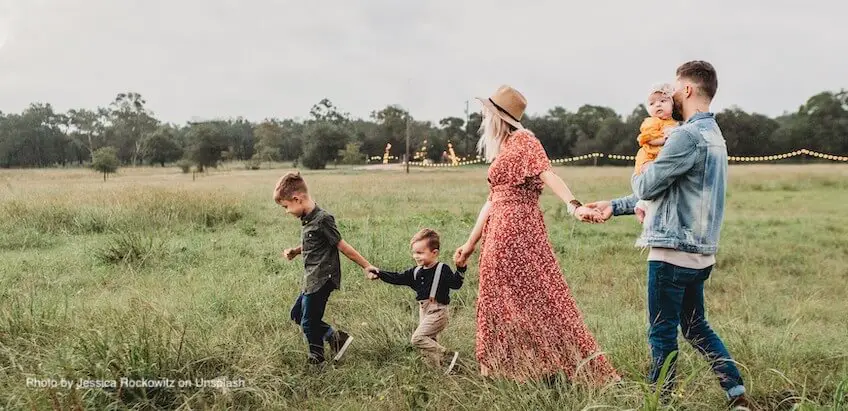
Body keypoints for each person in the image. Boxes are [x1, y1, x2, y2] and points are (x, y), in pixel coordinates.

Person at [584, 61, 751, 408]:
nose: (671, 94)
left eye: (675, 87)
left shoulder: (686, 136)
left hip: (671, 253)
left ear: (687, 90)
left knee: (662, 333)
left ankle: (660, 402)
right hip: (701, 253)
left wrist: (641, 161)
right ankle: (736, 394)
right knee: (695, 327)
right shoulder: (714, 135)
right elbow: (671, 192)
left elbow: (647, 184)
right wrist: (615, 206)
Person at [453, 85, 619, 383]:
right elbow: (492, 200)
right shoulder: (504, 148)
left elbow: (548, 173)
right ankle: (510, 368)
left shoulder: (524, 140)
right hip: (498, 230)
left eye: (487, 114)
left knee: (539, 296)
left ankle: (551, 364)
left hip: (517, 230)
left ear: (498, 117)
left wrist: (574, 206)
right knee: (499, 299)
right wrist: (469, 244)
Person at [275, 171, 379, 365]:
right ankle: (336, 338)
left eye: (286, 207)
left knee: (308, 322)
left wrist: (366, 266)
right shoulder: (307, 219)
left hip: (322, 278)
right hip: (311, 278)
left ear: (297, 199)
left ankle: (317, 359)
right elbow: (315, 243)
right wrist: (296, 251)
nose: (286, 211)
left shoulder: (323, 219)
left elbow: (342, 245)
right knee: (297, 315)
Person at [367, 228, 465, 373]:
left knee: (418, 338)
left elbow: (455, 284)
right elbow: (398, 277)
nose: (415, 256)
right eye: (414, 253)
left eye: (420, 253)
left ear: (435, 253)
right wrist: (379, 273)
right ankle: (437, 372)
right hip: (423, 311)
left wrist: (461, 268)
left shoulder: (442, 269)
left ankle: (448, 355)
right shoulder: (416, 271)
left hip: (438, 311)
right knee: (429, 345)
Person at [634, 83, 680, 224]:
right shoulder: (651, 122)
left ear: (673, 104)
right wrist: (664, 140)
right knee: (653, 178)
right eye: (652, 103)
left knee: (662, 183)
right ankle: (643, 205)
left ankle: (642, 205)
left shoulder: (674, 122)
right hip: (649, 157)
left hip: (660, 157)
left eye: (663, 101)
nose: (658, 105)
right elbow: (647, 139)